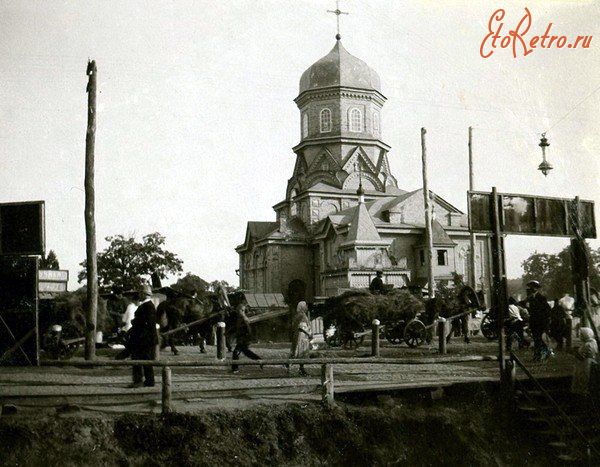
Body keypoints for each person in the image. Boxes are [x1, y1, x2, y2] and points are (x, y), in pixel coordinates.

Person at [127, 284, 158, 388]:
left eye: (141, 293)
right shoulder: (147, 305)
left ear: (144, 294)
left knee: (140, 360)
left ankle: (140, 380)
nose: (139, 295)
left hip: (143, 338)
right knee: (145, 360)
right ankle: (148, 381)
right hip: (144, 337)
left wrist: (134, 321)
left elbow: (146, 322)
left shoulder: (147, 306)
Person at [525, 280, 553, 362]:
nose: (531, 288)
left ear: (537, 288)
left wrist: (546, 321)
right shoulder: (529, 298)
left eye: (533, 287)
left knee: (540, 339)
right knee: (536, 339)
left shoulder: (542, 298)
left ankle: (540, 355)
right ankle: (539, 355)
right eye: (530, 287)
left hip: (541, 322)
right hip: (534, 322)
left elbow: (547, 310)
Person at [231, 299, 262, 373]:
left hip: (244, 339)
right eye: (237, 310)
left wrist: (247, 338)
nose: (238, 311)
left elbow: (249, 330)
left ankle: (235, 369)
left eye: (239, 310)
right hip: (242, 338)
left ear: (242, 310)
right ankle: (260, 360)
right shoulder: (239, 318)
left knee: (236, 352)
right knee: (246, 352)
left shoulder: (244, 319)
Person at [571, 327, 598, 397]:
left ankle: (581, 394)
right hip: (588, 362)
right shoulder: (593, 342)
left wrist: (575, 352)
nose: (580, 336)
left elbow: (582, 356)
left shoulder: (587, 345)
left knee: (582, 378)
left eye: (581, 335)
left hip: (585, 364)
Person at [290, 301, 312, 376]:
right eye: (305, 306)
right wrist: (309, 333)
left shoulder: (300, 315)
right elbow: (302, 326)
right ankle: (300, 369)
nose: (307, 307)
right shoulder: (301, 316)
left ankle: (300, 368)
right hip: (302, 335)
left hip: (301, 335)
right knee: (301, 352)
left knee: (299, 352)